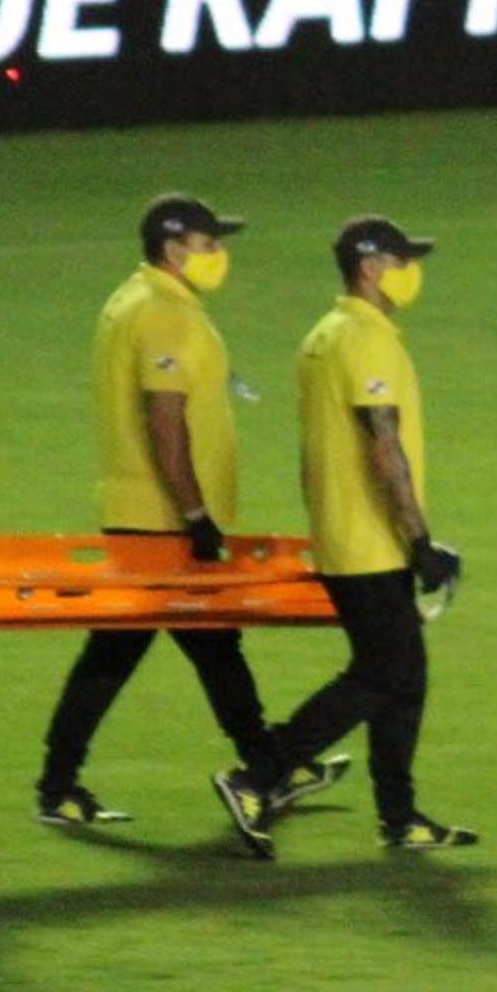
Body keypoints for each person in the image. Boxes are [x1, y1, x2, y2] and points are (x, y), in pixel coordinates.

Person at [215, 213, 473, 859]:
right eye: (402, 260)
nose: (411, 271)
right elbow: (383, 446)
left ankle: (400, 816)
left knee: (404, 676)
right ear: (370, 267)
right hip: (369, 541)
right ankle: (258, 775)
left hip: (342, 530)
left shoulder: (325, 335)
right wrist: (419, 542)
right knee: (382, 673)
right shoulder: (366, 339)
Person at [32, 192, 290, 829]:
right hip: (161, 521)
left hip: (140, 510)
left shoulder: (132, 299)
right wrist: (196, 513)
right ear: (174, 250)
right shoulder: (163, 313)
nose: (219, 254)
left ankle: (266, 762)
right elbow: (164, 419)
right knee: (180, 647)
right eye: (208, 244)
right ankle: (265, 766)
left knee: (172, 648)